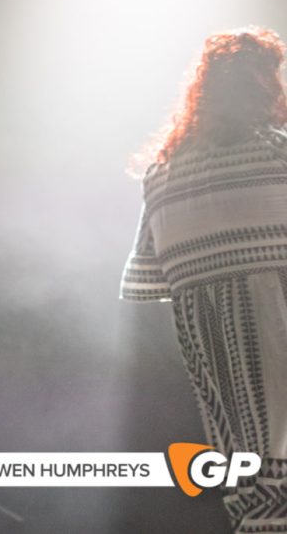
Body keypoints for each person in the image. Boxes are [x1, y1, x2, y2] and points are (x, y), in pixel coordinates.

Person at [122, 27, 287, 531]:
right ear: (264, 85)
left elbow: (148, 287)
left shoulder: (162, 176)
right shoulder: (279, 155)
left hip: (220, 375)